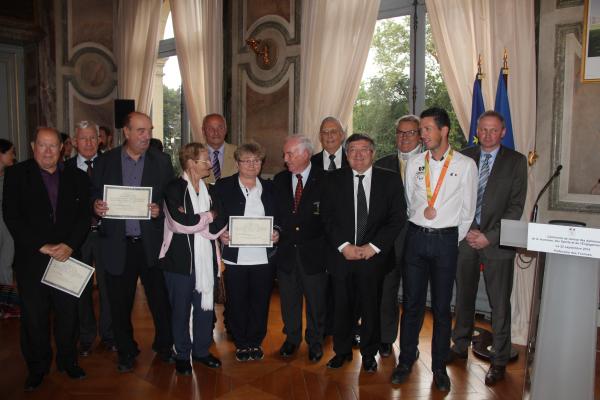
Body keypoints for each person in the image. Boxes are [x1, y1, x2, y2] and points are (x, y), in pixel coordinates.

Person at [393, 107, 478, 392]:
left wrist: (450, 238)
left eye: (427, 129)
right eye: (421, 129)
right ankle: (405, 360)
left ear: (444, 130)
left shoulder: (466, 165)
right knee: (412, 305)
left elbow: (468, 210)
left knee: (442, 309)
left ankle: (439, 366)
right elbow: (410, 200)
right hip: (415, 239)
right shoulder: (416, 163)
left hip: (446, 242)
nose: (422, 135)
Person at [3, 127, 90, 391]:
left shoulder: (77, 176)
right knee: (34, 318)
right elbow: (11, 215)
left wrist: (70, 245)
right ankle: (37, 368)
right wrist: (40, 245)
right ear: (33, 146)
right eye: (42, 145)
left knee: (68, 315)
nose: (48, 151)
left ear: (63, 148)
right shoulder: (17, 174)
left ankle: (68, 361)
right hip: (33, 259)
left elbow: (84, 216)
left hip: (66, 258)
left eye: (53, 146)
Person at [92, 112, 175, 372]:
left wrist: (159, 210)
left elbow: (170, 200)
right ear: (126, 132)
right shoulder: (105, 162)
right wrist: (96, 206)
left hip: (150, 243)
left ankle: (164, 346)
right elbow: (94, 196)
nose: (146, 136)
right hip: (118, 244)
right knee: (119, 303)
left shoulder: (161, 161)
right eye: (140, 131)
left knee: (160, 300)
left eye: (149, 130)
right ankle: (126, 351)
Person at [449, 110, 527, 386]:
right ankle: (459, 346)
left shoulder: (516, 162)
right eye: (483, 129)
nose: (488, 135)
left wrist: (489, 236)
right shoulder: (463, 157)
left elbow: (516, 206)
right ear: (477, 131)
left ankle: (499, 360)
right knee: (464, 297)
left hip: (497, 242)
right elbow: (453, 197)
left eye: (494, 130)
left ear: (503, 132)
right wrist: (466, 230)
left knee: (499, 304)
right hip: (466, 237)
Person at [321, 133, 406, 373]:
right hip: (341, 257)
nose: (358, 154)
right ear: (346, 155)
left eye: (364, 149)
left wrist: (373, 247)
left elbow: (397, 218)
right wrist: (343, 246)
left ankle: (369, 354)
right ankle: (342, 351)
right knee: (341, 307)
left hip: (374, 258)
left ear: (373, 153)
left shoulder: (390, 180)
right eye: (353, 150)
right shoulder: (332, 180)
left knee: (372, 308)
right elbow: (327, 218)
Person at [159, 143, 224, 375]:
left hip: (206, 262)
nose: (210, 164)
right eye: (205, 160)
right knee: (180, 310)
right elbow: (177, 223)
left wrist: (199, 222)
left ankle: (201, 351)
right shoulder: (173, 188)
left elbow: (218, 226)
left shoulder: (212, 190)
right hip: (179, 263)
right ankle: (182, 354)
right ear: (190, 163)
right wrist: (208, 215)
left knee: (205, 309)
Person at [211, 142, 279, 362]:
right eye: (247, 160)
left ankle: (255, 341)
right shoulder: (222, 186)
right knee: (237, 301)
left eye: (257, 160)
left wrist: (277, 232)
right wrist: (222, 233)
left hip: (263, 257)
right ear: (238, 163)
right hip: (235, 256)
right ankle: (241, 342)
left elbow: (279, 218)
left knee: (260, 301)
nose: (252, 165)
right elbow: (216, 215)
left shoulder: (270, 188)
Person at [273, 135, 327, 362]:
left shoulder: (325, 180)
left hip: (315, 254)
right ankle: (292, 339)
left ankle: (315, 342)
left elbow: (332, 218)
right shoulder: (279, 179)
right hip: (286, 253)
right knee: (288, 301)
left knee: (316, 302)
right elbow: (274, 213)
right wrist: (274, 229)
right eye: (285, 154)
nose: (285, 159)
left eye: (290, 154)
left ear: (306, 154)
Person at [64, 121, 115, 356]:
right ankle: (86, 336)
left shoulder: (113, 164)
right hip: (77, 239)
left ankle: (109, 335)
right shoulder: (63, 169)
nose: (88, 143)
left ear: (100, 140)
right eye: (83, 138)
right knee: (80, 288)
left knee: (108, 289)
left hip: (107, 235)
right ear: (74, 142)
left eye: (92, 138)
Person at [374, 114, 422, 357]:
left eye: (410, 132)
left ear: (420, 136)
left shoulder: (431, 163)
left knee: (414, 295)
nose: (404, 137)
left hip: (419, 238)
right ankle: (386, 338)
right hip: (390, 240)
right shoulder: (381, 164)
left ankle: (410, 345)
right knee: (387, 292)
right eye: (400, 133)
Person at [203, 114, 238, 183]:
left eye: (220, 128)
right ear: (203, 131)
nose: (216, 132)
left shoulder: (239, 153)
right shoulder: (194, 155)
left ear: (226, 130)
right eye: (210, 128)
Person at [0, 139, 16, 287]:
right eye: (11, 153)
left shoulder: (12, 176)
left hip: (7, 226)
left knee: (6, 261)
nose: (14, 156)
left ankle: (6, 304)